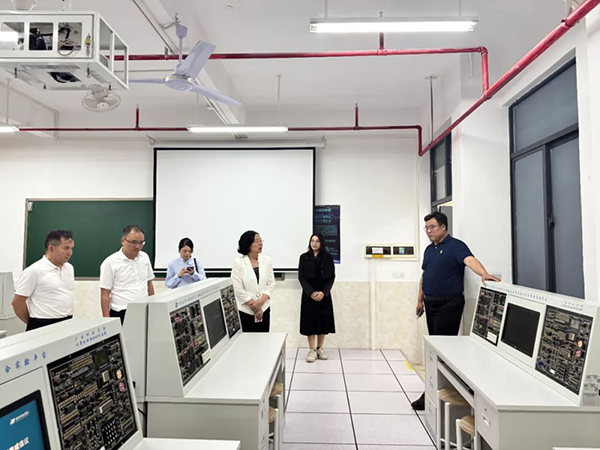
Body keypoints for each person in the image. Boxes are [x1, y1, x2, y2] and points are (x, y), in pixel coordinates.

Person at [412, 211, 499, 410]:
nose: (429, 231)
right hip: (430, 304)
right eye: (426, 228)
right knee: (435, 347)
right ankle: (436, 390)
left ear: (443, 227)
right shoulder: (429, 250)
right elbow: (425, 275)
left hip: (449, 305)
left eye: (432, 227)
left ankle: (434, 393)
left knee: (441, 349)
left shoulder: (456, 246)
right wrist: (419, 300)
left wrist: (484, 273)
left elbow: (469, 260)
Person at [12, 230, 75, 331]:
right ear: (51, 248)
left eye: (71, 248)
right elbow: (17, 302)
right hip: (42, 323)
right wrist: (32, 324)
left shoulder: (69, 268)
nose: (70, 253)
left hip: (66, 322)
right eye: (66, 248)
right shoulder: (34, 270)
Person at [100, 224, 155, 324]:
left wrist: (153, 306)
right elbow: (105, 293)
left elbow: (149, 283)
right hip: (121, 313)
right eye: (134, 242)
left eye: (141, 243)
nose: (137, 246)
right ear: (123, 241)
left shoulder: (145, 258)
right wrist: (106, 321)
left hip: (144, 310)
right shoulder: (110, 262)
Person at [298, 233, 336, 363]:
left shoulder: (328, 257)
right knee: (310, 322)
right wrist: (311, 293)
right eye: (312, 241)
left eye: (317, 241)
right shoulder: (304, 257)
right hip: (309, 295)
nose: (314, 243)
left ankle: (320, 348)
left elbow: (331, 277)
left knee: (322, 322)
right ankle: (312, 350)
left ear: (322, 243)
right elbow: (301, 277)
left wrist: (324, 292)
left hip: (323, 295)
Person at [231, 231, 275, 332]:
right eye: (256, 241)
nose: (260, 243)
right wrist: (254, 306)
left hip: (264, 308)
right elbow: (237, 288)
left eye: (261, 240)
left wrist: (260, 303)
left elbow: (271, 284)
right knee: (247, 340)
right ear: (248, 244)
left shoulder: (267, 260)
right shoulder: (238, 263)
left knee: (263, 339)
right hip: (246, 311)